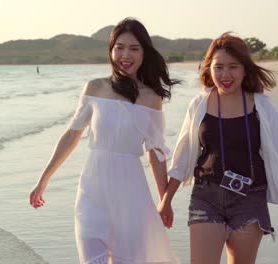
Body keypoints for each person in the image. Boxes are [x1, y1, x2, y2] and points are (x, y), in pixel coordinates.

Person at [29, 18, 180, 264]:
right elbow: (71, 134)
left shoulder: (151, 99)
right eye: (119, 47)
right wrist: (43, 179)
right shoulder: (95, 88)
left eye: (134, 48)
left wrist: (165, 200)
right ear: (111, 50)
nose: (125, 55)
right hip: (92, 190)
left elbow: (155, 153)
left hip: (131, 194)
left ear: (144, 53)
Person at [158, 33, 278, 264]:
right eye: (218, 67)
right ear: (209, 70)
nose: (225, 75)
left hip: (250, 198)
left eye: (233, 67)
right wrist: (166, 200)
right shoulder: (199, 105)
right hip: (207, 196)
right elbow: (183, 156)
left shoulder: (263, 107)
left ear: (245, 69)